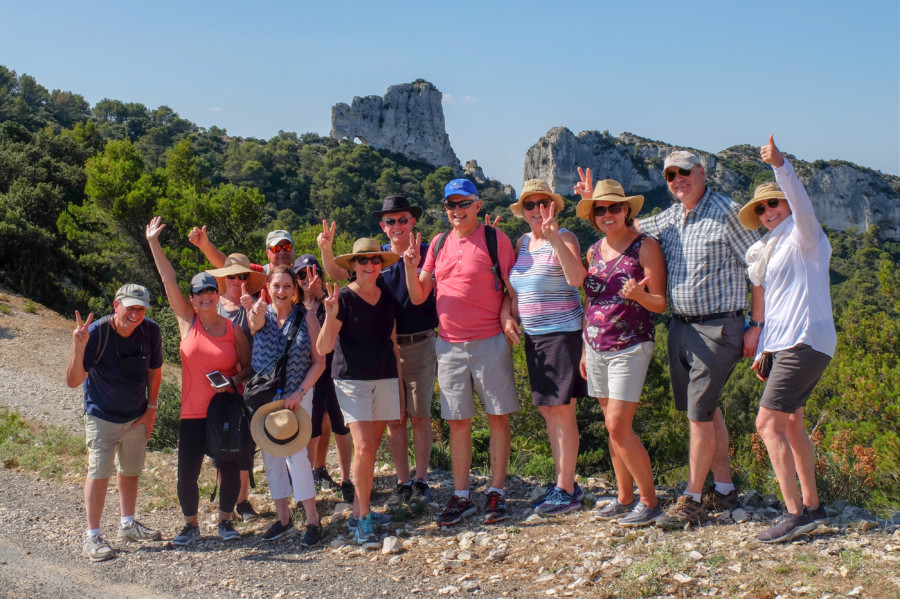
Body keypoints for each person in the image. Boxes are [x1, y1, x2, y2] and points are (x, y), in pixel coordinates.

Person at [578, 151, 762, 529]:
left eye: (684, 172)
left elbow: (759, 267)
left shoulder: (728, 211)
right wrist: (591, 202)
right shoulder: (669, 216)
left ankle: (692, 498)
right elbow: (624, 228)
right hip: (681, 327)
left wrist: (757, 323)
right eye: (670, 175)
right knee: (707, 409)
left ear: (701, 172)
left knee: (698, 413)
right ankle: (724, 488)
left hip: (719, 325)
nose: (677, 179)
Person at [404, 178, 519, 527]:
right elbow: (419, 295)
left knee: (498, 418)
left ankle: (496, 490)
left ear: (477, 205)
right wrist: (410, 267)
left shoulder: (494, 239)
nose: (456, 211)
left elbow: (512, 288)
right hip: (449, 345)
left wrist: (508, 317)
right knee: (458, 423)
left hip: (490, 340)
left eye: (463, 204)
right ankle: (462, 495)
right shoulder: (437, 244)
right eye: (450, 205)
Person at [741, 136, 836, 543]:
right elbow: (775, 307)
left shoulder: (805, 237)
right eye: (760, 208)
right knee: (792, 422)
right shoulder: (768, 251)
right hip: (785, 344)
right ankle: (813, 506)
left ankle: (794, 515)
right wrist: (764, 352)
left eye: (773, 203)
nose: (767, 212)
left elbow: (800, 203)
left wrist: (782, 166)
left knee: (767, 424)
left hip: (805, 341)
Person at [318, 195, 439, 509]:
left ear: (413, 222)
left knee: (420, 416)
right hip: (385, 348)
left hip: (421, 342)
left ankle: (422, 480)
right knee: (395, 420)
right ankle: (403, 481)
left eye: (402, 220)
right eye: (390, 221)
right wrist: (325, 249)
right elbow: (339, 275)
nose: (397, 226)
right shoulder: (377, 257)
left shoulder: (426, 255)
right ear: (383, 227)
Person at [145, 216, 252, 545]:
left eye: (210, 289)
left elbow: (248, 367)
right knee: (187, 472)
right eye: (198, 291)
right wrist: (153, 242)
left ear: (217, 294)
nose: (205, 295)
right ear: (191, 298)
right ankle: (191, 525)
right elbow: (167, 278)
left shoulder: (234, 330)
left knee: (230, 467)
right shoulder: (187, 322)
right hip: (192, 411)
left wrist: (232, 380)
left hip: (225, 410)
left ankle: (225, 521)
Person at [574, 179, 667, 527]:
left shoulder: (645, 248)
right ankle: (624, 497)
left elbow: (659, 303)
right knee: (611, 427)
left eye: (614, 207)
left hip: (631, 345)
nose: (608, 214)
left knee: (617, 425)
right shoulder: (594, 251)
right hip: (596, 344)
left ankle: (649, 502)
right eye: (600, 209)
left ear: (627, 210)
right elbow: (591, 300)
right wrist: (585, 347)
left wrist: (638, 296)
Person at [505, 179, 587, 516]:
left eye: (543, 203)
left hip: (563, 334)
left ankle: (566, 489)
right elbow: (514, 290)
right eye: (530, 205)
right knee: (548, 410)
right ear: (522, 212)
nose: (537, 210)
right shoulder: (522, 242)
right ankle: (562, 483)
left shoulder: (565, 237)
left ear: (552, 205)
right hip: (535, 338)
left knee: (562, 410)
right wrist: (508, 316)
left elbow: (577, 279)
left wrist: (554, 239)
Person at [65, 284, 163, 561]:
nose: (136, 313)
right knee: (99, 474)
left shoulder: (150, 331)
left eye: (141, 308)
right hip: (102, 415)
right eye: (130, 307)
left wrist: (151, 409)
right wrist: (78, 345)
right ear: (115, 305)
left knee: (130, 470)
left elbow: (155, 371)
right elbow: (73, 381)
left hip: (136, 415)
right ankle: (92, 537)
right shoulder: (96, 333)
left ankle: (127, 525)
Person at [316, 238, 402, 544]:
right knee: (364, 448)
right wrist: (329, 315)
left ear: (381, 264)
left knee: (370, 449)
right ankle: (363, 518)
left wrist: (399, 386)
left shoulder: (388, 297)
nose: (369, 266)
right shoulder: (343, 298)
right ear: (353, 266)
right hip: (351, 380)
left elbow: (391, 341)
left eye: (374, 260)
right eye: (362, 261)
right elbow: (324, 347)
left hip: (384, 378)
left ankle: (358, 510)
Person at [245, 264, 325, 546]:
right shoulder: (259, 314)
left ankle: (313, 521)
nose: (281, 291)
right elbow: (253, 324)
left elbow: (319, 362)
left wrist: (300, 393)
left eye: (287, 286)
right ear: (267, 287)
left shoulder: (307, 317)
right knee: (272, 459)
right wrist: (252, 308)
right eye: (276, 285)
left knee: (298, 457)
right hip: (266, 400)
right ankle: (283, 519)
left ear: (294, 290)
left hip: (298, 397)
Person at [205, 253, 267, 522]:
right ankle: (226, 501)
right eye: (231, 275)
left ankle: (241, 501)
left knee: (243, 447)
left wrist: (252, 308)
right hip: (214, 389)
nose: (236, 280)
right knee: (220, 446)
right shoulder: (210, 307)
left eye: (243, 276)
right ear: (223, 278)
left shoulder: (253, 306)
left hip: (245, 387)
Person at [294, 254, 354, 504]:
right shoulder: (294, 310)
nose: (309, 278)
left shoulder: (330, 300)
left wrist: (320, 296)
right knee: (311, 430)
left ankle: (347, 479)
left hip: (334, 373)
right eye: (302, 274)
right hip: (308, 378)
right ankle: (307, 482)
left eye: (314, 272)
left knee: (341, 427)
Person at [189, 226, 296, 301]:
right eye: (276, 249)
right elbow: (229, 266)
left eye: (287, 247)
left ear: (293, 250)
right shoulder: (260, 273)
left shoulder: (303, 275)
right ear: (267, 253)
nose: (282, 252)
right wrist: (205, 246)